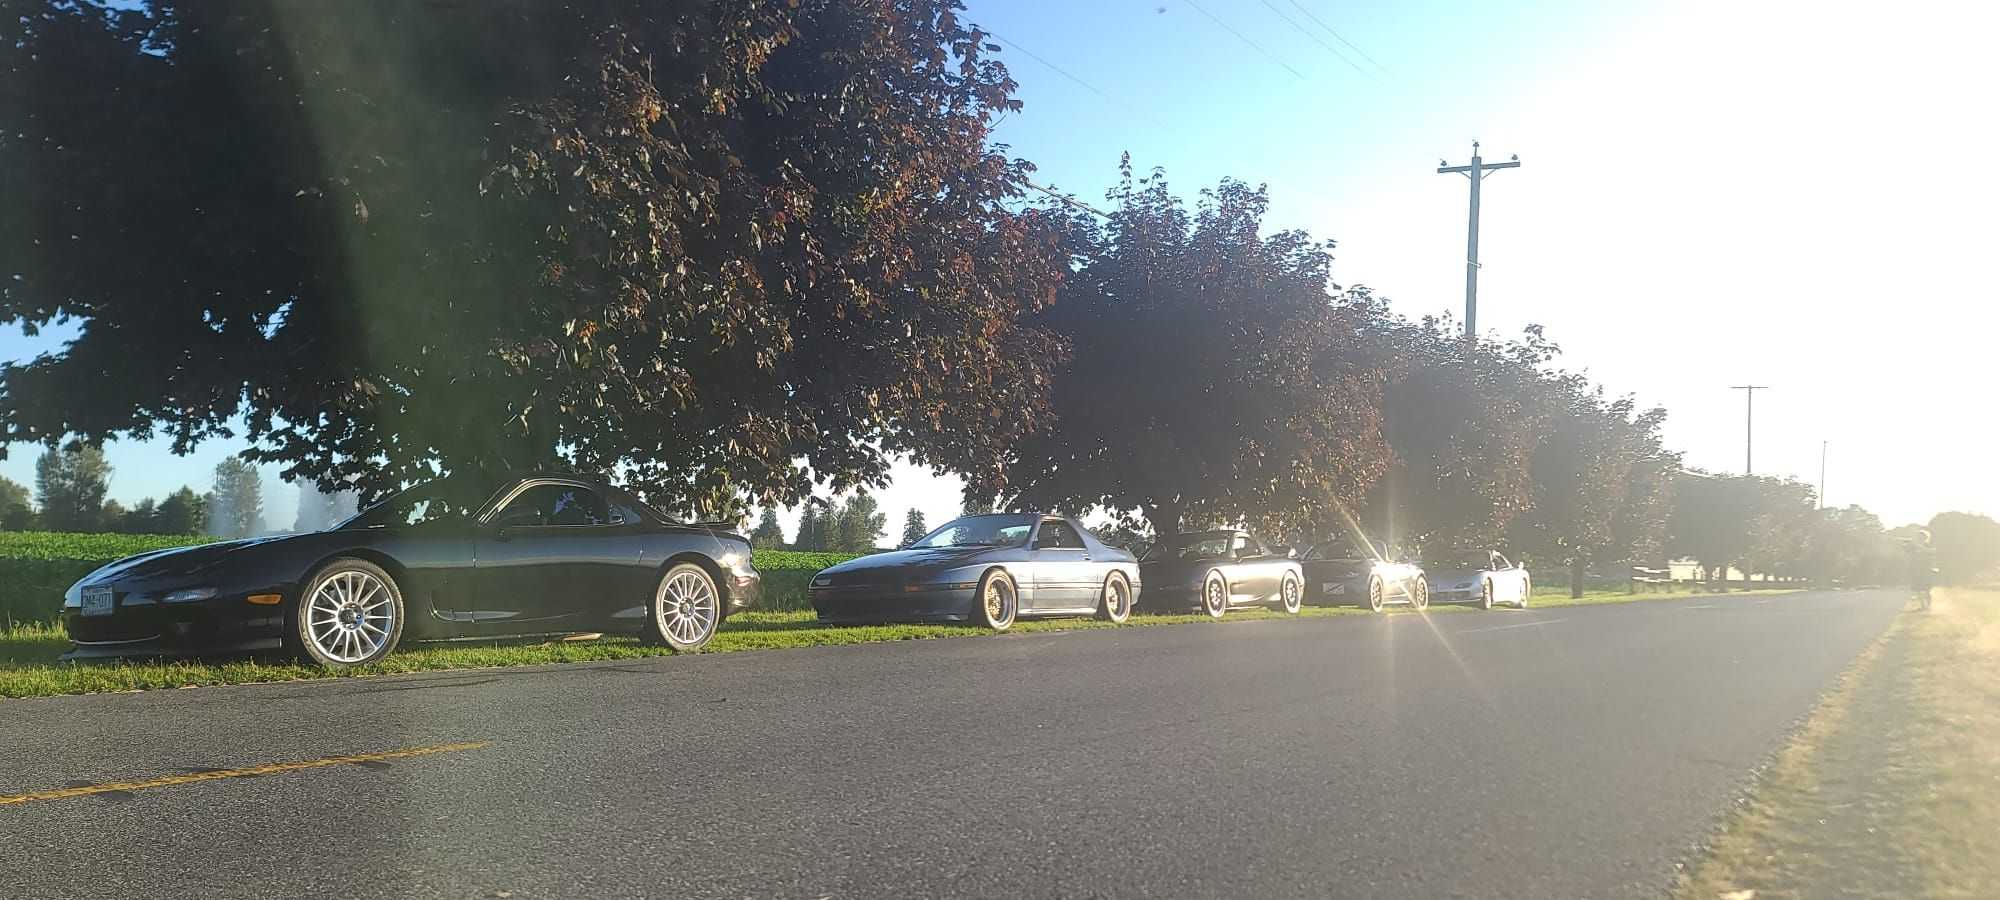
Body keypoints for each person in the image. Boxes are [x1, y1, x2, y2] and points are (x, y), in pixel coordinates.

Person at [1906, 529, 1938, 610]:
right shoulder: (1913, 547)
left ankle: (1928, 606)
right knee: (1918, 589)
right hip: (1916, 570)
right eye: (1919, 537)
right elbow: (1907, 551)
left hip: (1926, 570)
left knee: (1927, 590)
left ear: (1925, 538)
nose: (1920, 538)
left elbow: (1932, 551)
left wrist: (1918, 546)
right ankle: (1923, 606)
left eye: (1921, 537)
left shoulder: (1928, 545)